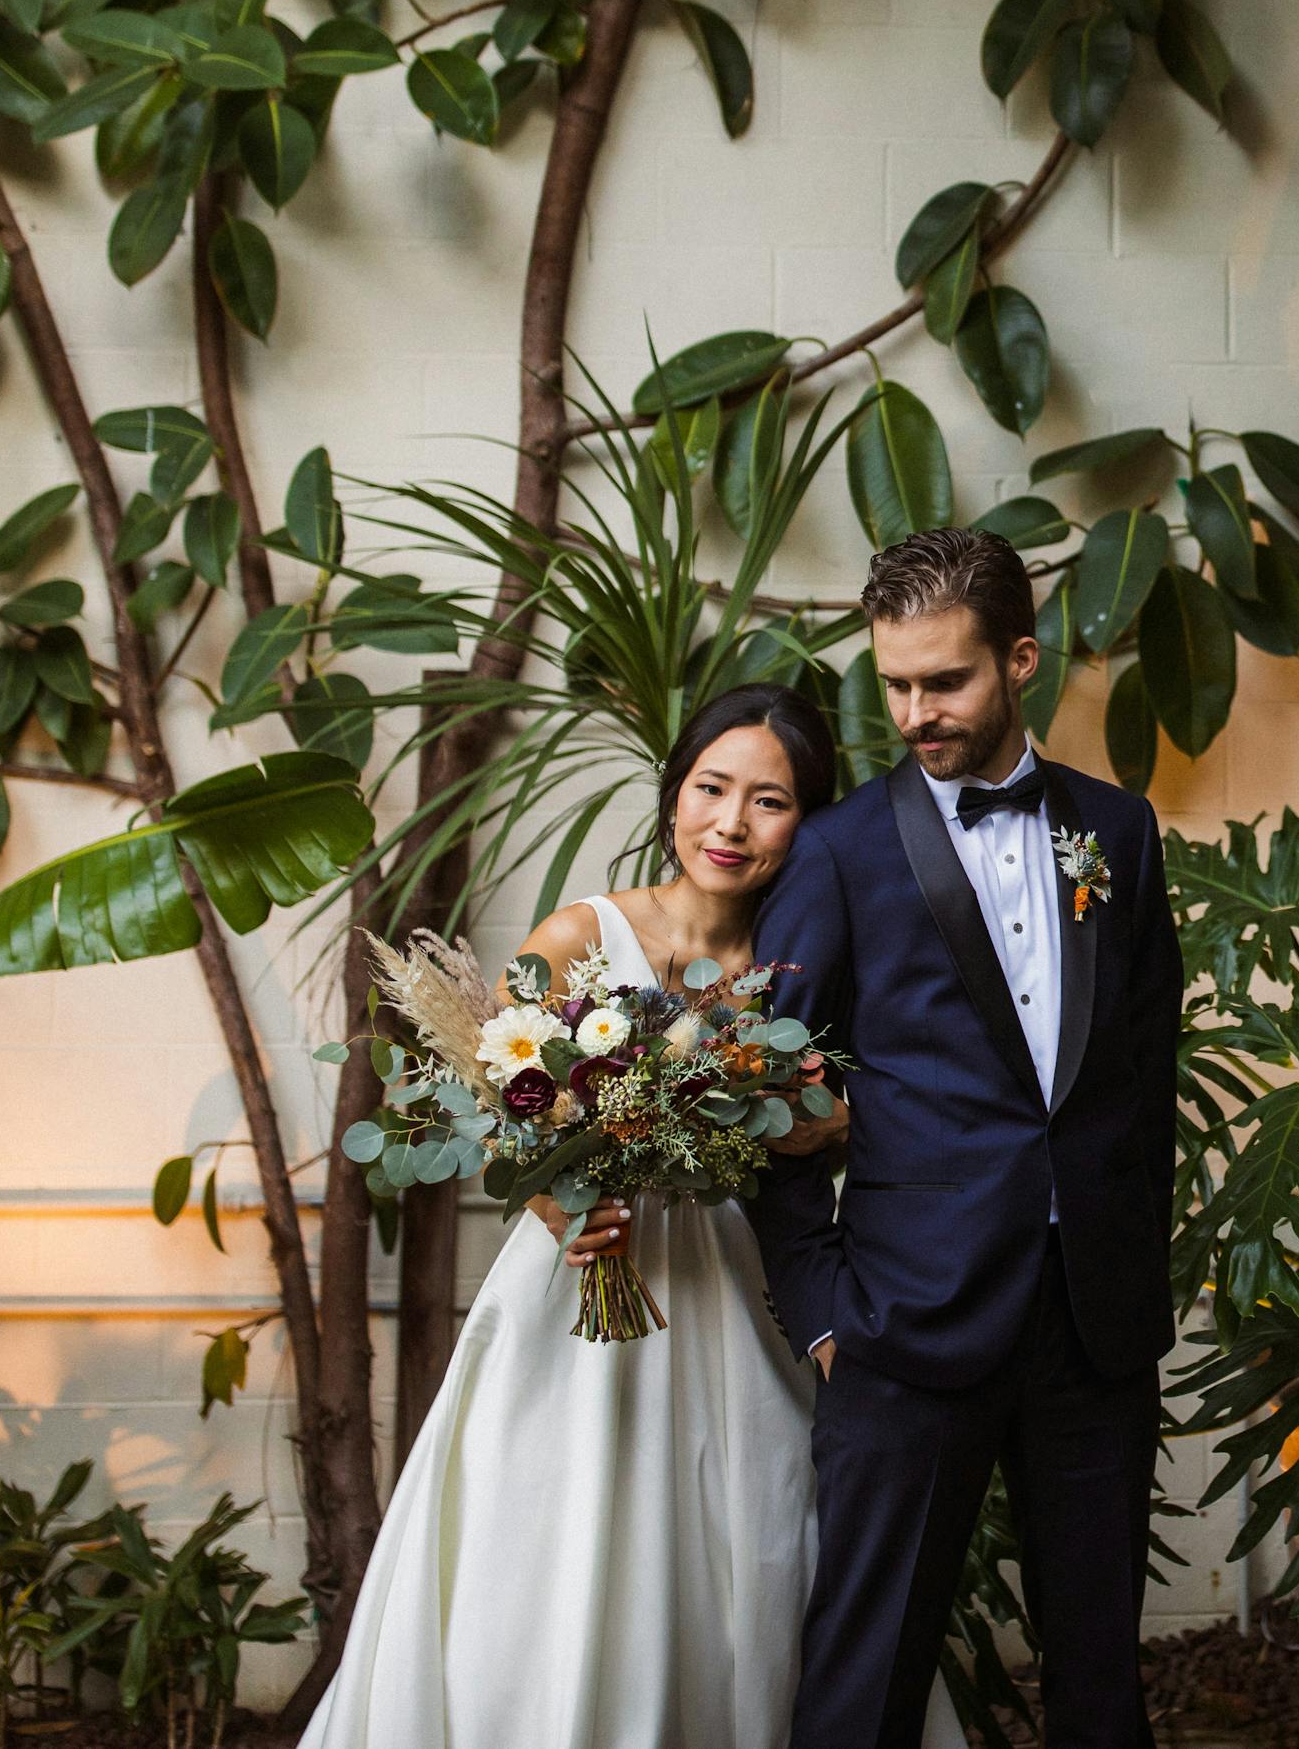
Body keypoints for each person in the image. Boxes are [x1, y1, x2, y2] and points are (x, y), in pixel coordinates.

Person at [297, 682, 960, 1749]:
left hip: (737, 1282)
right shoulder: (579, 933)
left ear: (811, 821)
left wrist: (817, 1121)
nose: (730, 824)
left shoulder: (800, 965)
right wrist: (562, 1198)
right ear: (673, 795)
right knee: (545, 1543)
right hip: (577, 1286)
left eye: (771, 801)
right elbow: (504, 1091)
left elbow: (859, 1110)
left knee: (750, 1539)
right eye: (711, 788)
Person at [751, 527, 1186, 1749]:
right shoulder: (836, 853)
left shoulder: (1117, 828)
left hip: (1092, 1329)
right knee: (865, 1673)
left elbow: (1143, 1074)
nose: (916, 711)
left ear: (1022, 661)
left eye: (945, 680)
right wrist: (824, 1309)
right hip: (905, 1323)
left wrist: (1128, 1268)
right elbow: (759, 1089)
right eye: (895, 683)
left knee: (1101, 1675)